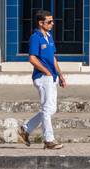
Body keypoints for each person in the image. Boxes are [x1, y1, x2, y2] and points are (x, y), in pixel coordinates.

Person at [21, 8, 65, 150]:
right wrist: (46, 72)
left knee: (51, 109)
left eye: (52, 21)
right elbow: (32, 58)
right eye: (49, 21)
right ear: (41, 23)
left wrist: (60, 75)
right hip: (42, 77)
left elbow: (53, 57)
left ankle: (26, 129)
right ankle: (49, 139)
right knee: (46, 108)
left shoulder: (49, 36)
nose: (52, 24)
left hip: (52, 76)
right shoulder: (36, 37)